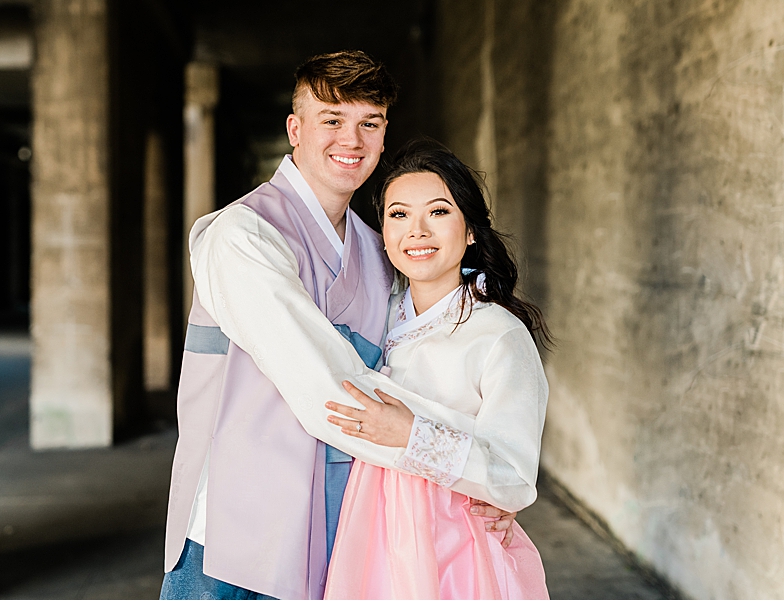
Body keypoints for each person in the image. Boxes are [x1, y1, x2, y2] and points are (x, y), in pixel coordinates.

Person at [160, 51, 515, 600]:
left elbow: (428, 367)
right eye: (332, 120)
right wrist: (471, 469)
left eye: (368, 123)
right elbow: (331, 393)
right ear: (294, 130)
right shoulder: (241, 236)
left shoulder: (380, 251)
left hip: (344, 537)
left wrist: (490, 480)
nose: (351, 140)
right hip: (236, 541)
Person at [318, 140, 551, 599]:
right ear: (382, 232)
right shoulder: (372, 319)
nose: (417, 231)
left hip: (453, 546)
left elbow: (513, 475)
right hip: (367, 535)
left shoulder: (497, 335)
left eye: (439, 212)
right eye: (399, 215)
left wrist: (412, 435)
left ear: (469, 231)